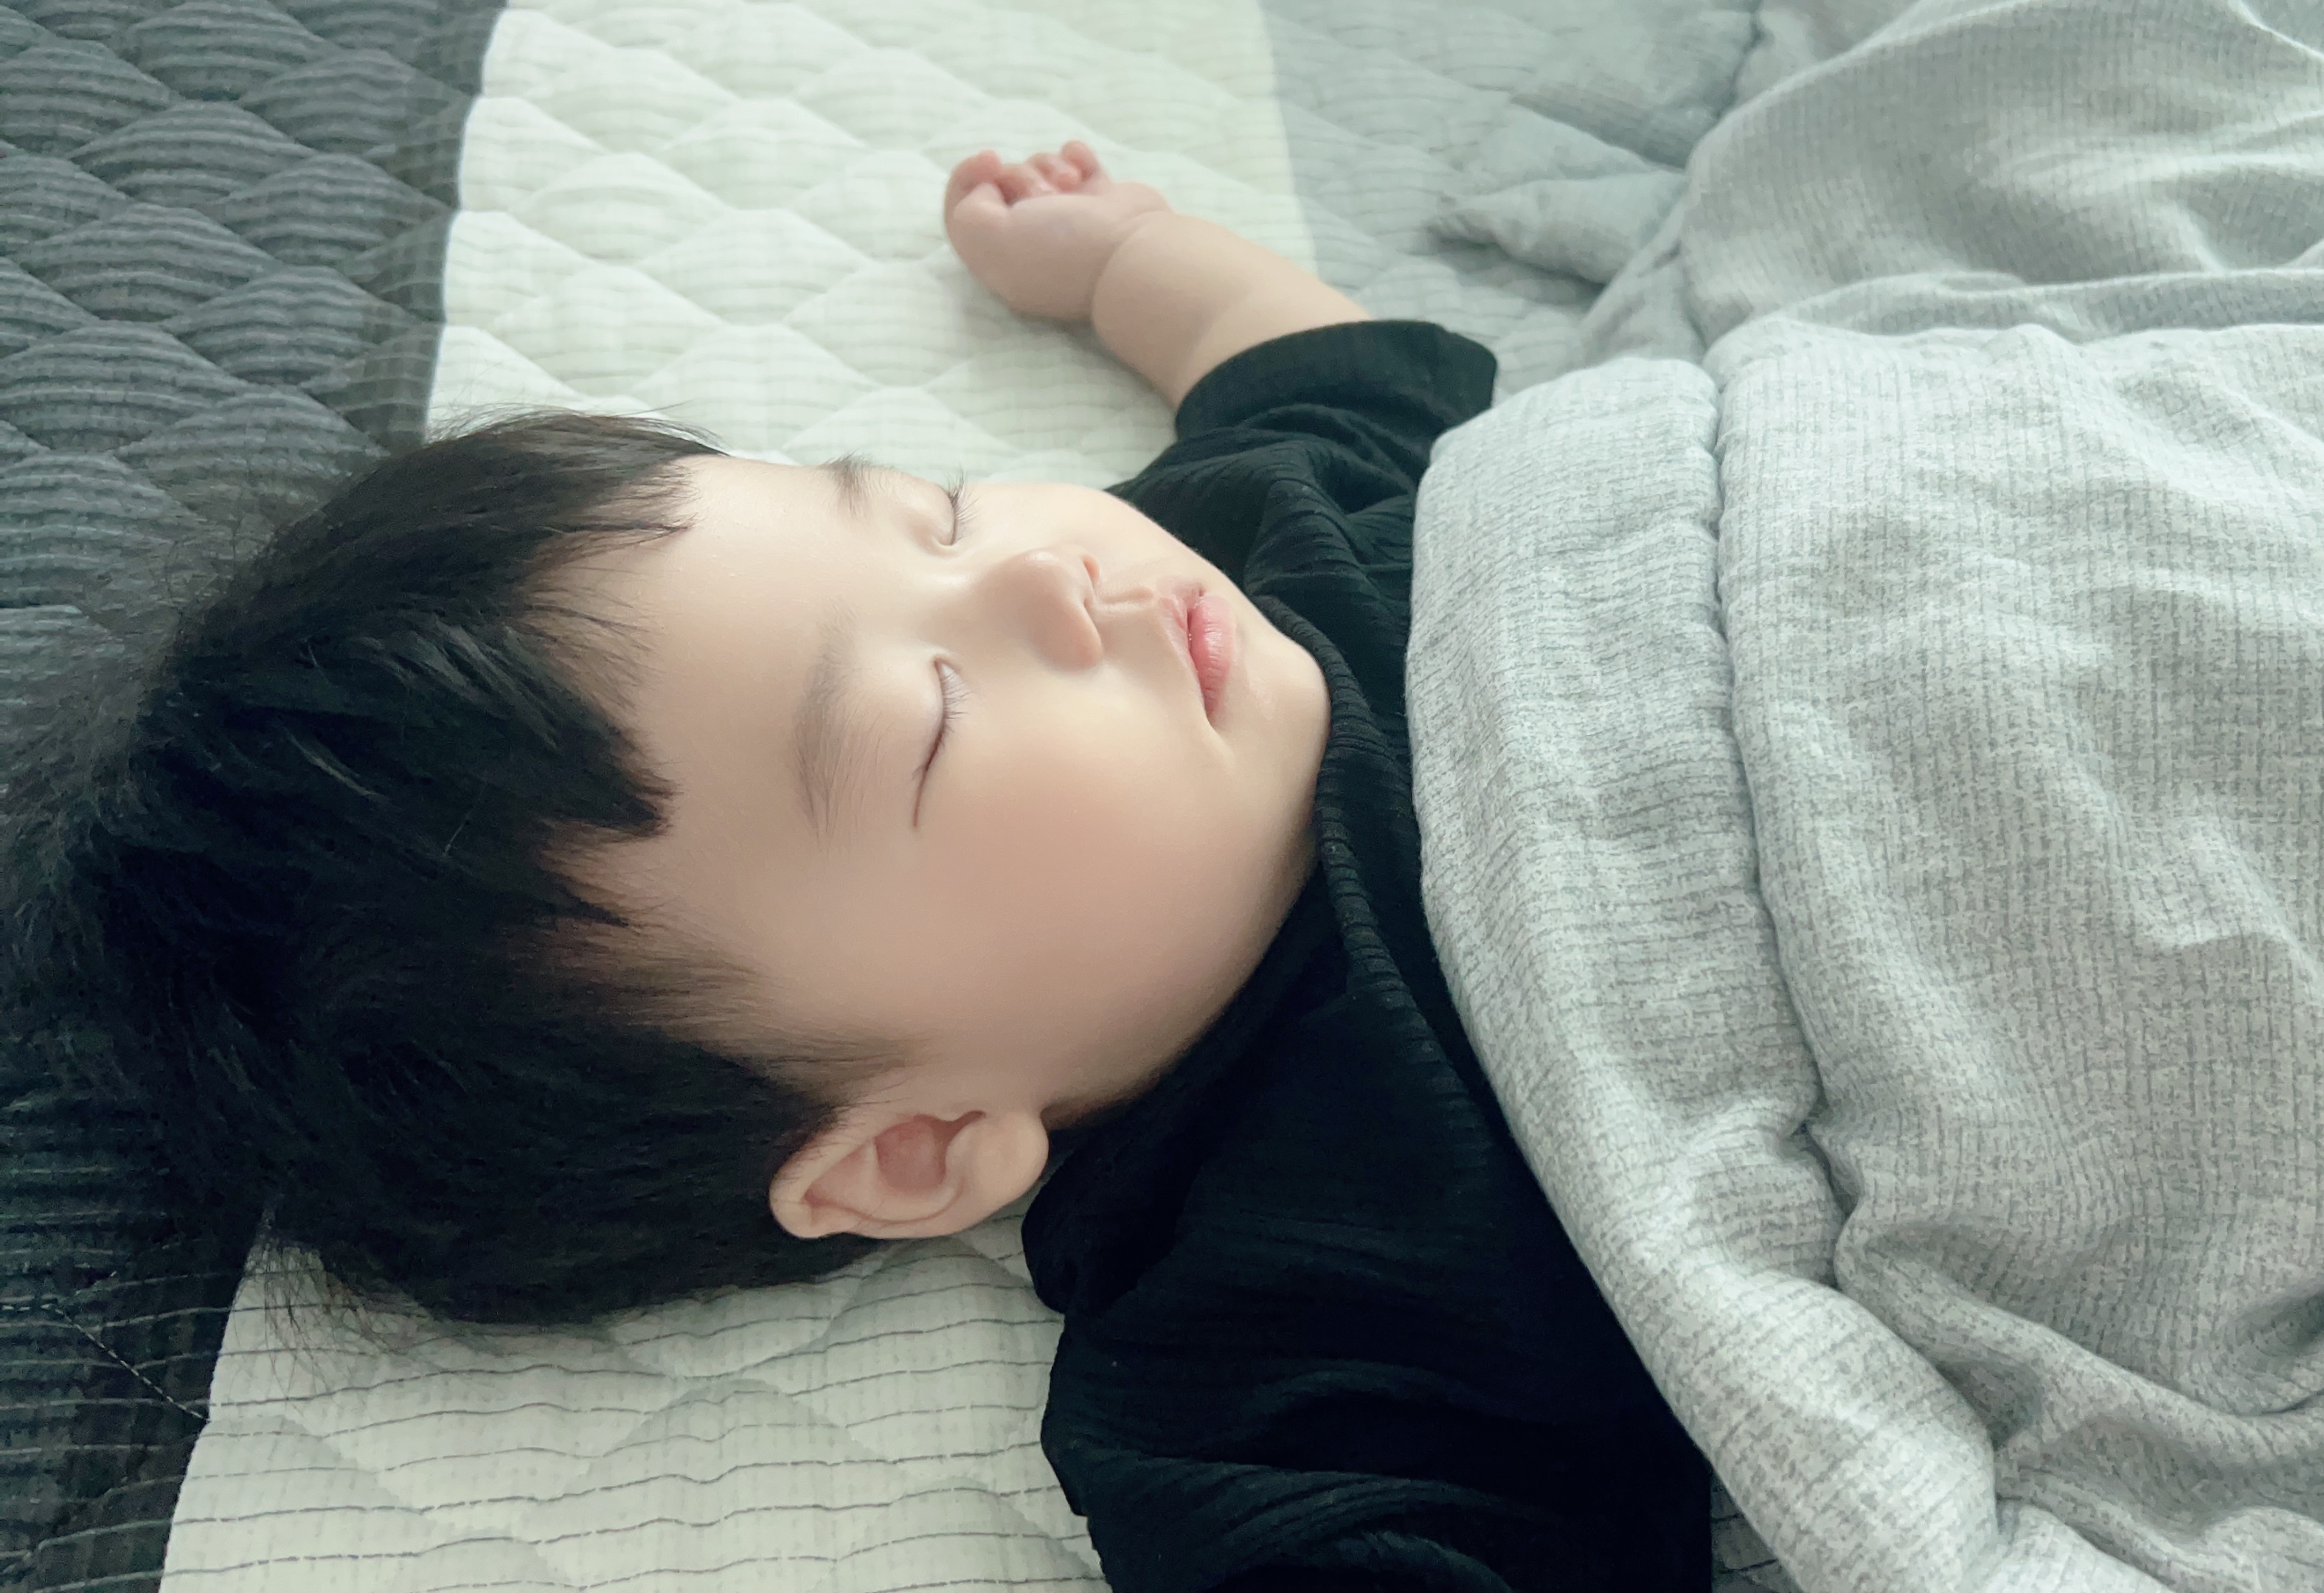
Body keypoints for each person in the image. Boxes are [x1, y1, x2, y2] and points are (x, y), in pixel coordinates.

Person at [3, 142, 1714, 1590]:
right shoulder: (1307, 1286)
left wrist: (1126, 258)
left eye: (935, 511)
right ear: (910, 1148)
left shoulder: (1262, 532)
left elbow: (1313, 361)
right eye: (938, 724)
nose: (1050, 581)